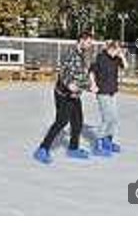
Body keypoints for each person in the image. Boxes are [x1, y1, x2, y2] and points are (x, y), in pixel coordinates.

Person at [34, 31, 96, 164]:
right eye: (89, 42)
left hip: (74, 95)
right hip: (64, 94)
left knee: (78, 121)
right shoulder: (71, 53)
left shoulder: (82, 55)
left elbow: (80, 76)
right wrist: (69, 84)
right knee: (61, 121)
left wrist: (89, 86)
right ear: (82, 40)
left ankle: (73, 148)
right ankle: (42, 149)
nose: (91, 45)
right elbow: (63, 71)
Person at [89, 40, 128, 155]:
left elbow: (125, 67)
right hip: (102, 92)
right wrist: (93, 84)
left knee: (114, 119)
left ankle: (107, 141)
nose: (118, 52)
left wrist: (122, 56)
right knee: (107, 118)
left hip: (112, 92)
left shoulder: (116, 59)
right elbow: (91, 71)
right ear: (111, 49)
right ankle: (98, 144)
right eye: (117, 50)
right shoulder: (100, 57)